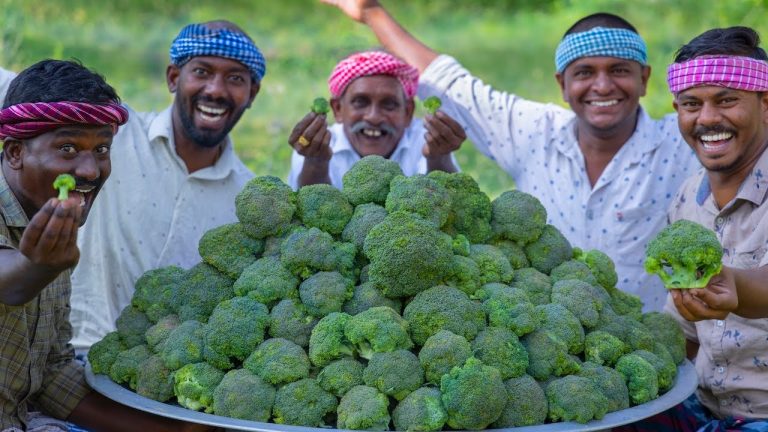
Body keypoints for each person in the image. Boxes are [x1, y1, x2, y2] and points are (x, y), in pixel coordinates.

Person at [322, 0, 701, 311]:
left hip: (648, 343)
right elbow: (451, 82)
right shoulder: (536, 132)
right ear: (562, 85)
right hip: (549, 342)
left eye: (619, 70)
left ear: (645, 79)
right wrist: (373, 11)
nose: (602, 85)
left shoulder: (683, 140)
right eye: (584, 73)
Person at [0, 59, 212, 432]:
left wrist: (177, 429)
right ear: (16, 152)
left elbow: (52, 375)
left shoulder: (52, 223)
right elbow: (9, 281)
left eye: (101, 149)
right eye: (68, 148)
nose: (90, 170)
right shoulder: (48, 247)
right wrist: (39, 267)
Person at [25, 20, 260, 350]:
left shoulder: (249, 200)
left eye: (235, 79)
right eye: (202, 72)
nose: (216, 90)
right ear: (173, 78)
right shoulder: (110, 134)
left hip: (151, 382)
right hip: (59, 354)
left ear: (252, 93)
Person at [616, 26, 768, 432]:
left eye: (727, 100)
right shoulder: (688, 199)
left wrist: (734, 284)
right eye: (691, 104)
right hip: (696, 401)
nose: (707, 118)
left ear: (766, 103)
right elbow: (683, 331)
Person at [287, 50, 465, 189]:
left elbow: (449, 206)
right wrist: (315, 162)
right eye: (360, 102)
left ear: (408, 112)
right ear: (338, 109)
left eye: (389, 104)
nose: (373, 117)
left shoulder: (427, 141)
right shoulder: (313, 144)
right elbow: (308, 214)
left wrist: (439, 158)